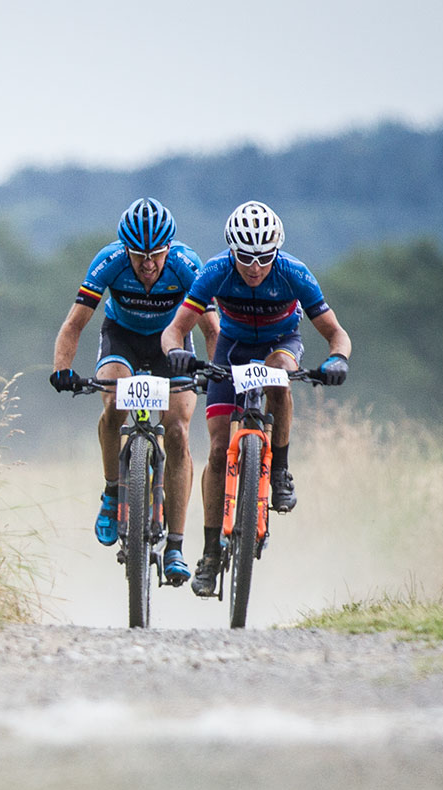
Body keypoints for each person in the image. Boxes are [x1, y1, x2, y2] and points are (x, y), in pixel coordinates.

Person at [157, 201, 352, 598]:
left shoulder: (294, 273)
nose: (255, 266)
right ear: (232, 251)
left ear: (276, 251)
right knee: (215, 450)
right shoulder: (215, 271)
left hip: (282, 342)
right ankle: (211, 554)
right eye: (245, 257)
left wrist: (337, 360)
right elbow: (174, 330)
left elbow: (337, 334)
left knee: (280, 376)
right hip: (232, 349)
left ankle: (279, 471)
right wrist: (175, 352)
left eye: (264, 257)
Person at [49, 197, 219, 587]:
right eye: (139, 255)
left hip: (170, 344)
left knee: (176, 430)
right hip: (122, 338)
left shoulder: (186, 263)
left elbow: (212, 329)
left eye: (156, 254)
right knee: (112, 403)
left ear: (168, 249)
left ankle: (175, 545)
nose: (147, 264)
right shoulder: (109, 261)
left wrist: (213, 372)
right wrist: (62, 370)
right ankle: (112, 492)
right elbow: (74, 324)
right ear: (125, 248)